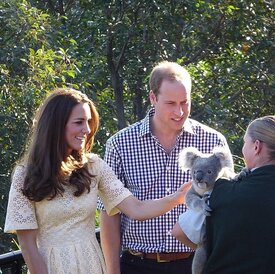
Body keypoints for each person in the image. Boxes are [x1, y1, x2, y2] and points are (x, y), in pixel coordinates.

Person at [4, 88, 190, 274]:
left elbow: (137, 209)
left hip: (92, 266)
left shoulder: (93, 166)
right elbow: (27, 244)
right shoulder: (24, 174)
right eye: (79, 122)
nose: (87, 129)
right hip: (50, 267)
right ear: (56, 125)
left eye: (88, 122)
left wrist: (178, 197)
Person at [99, 61, 232, 274]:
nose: (180, 112)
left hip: (196, 264)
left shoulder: (213, 141)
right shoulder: (120, 144)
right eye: (171, 103)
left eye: (185, 102)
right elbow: (109, 213)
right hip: (137, 264)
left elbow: (228, 207)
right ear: (153, 97)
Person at [172, 115, 275, 274]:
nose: (242, 149)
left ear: (256, 147)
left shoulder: (222, 192)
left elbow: (178, 231)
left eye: (244, 143)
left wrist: (214, 248)